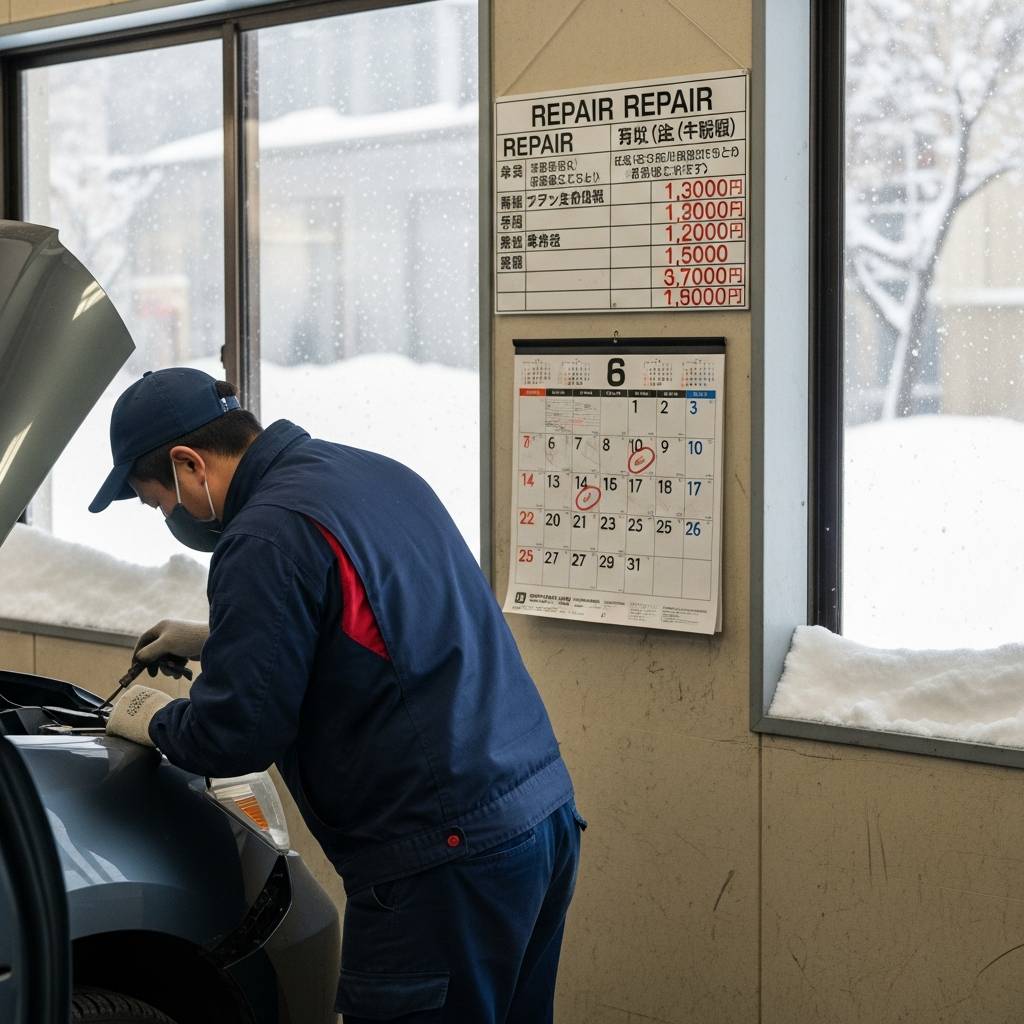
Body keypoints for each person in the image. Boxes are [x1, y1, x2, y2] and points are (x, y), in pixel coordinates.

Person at [90, 367, 585, 1024]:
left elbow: (236, 734)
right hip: (538, 821)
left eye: (158, 502)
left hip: (442, 858)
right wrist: (221, 640)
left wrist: (153, 719)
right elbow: (387, 619)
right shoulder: (373, 474)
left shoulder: (263, 534)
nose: (167, 517)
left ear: (189, 464)